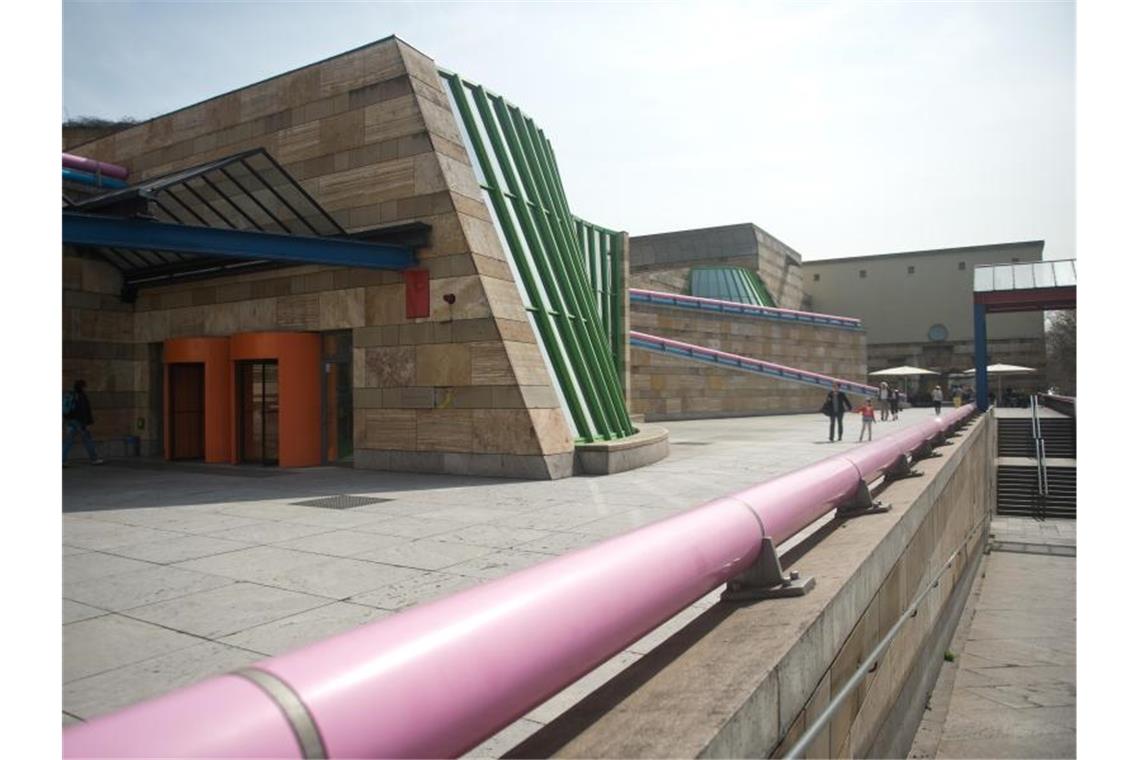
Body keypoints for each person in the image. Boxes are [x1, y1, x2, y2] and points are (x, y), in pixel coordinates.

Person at [63, 379, 103, 466]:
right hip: (79, 422)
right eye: (85, 386)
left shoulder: (71, 394)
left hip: (70, 421)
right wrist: (87, 423)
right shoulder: (81, 396)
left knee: (68, 441)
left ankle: (63, 460)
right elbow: (84, 411)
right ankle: (94, 458)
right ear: (82, 387)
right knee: (88, 440)